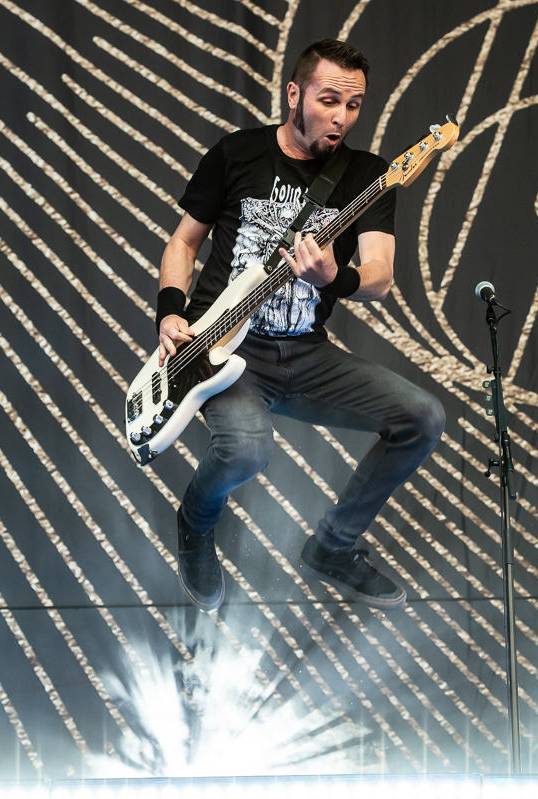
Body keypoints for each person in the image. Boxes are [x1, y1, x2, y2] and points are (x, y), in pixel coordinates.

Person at [155, 38, 445, 612]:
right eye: (329, 100)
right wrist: (169, 310)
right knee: (246, 450)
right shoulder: (237, 153)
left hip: (307, 354)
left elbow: (380, 276)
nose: (342, 117)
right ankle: (195, 522)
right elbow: (184, 243)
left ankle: (333, 548)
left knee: (422, 417)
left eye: (354, 105)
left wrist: (335, 277)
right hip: (222, 350)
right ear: (295, 94)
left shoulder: (369, 175)